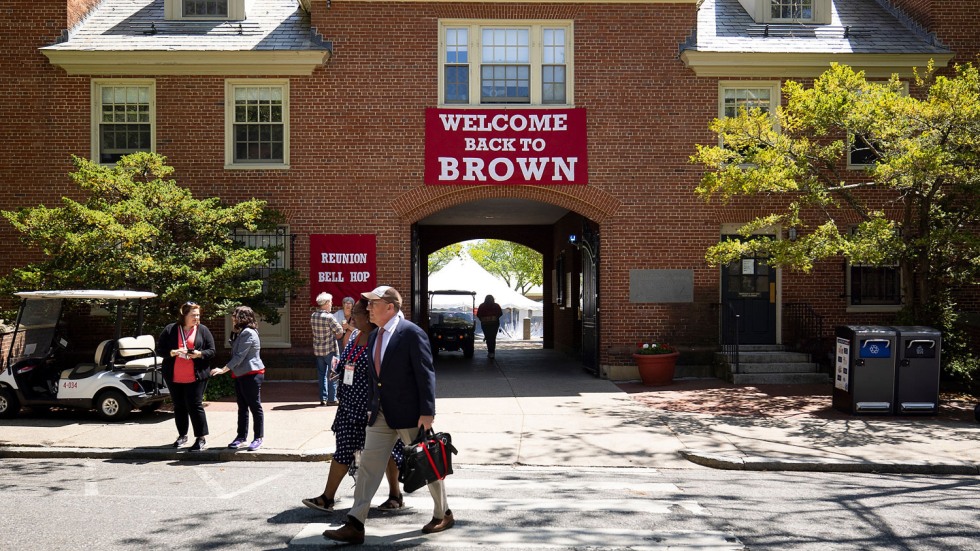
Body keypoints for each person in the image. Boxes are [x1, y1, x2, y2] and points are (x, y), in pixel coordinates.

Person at [323, 286, 453, 545]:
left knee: (426, 464)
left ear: (390, 308)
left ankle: (443, 513)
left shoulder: (411, 333)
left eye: (373, 304)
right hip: (380, 414)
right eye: (368, 304)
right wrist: (373, 404)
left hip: (410, 414)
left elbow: (425, 374)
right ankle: (355, 523)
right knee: (369, 467)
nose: (368, 308)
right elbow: (375, 376)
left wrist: (427, 412)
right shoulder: (373, 336)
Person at [302, 298, 404, 513]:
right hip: (348, 405)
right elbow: (348, 361)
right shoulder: (355, 335)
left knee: (388, 453)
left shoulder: (380, 338)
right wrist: (337, 369)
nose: (351, 319)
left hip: (372, 408)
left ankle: (395, 495)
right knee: (343, 450)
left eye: (356, 315)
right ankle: (327, 497)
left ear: (368, 316)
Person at [157, 301, 216, 452]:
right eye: (193, 315)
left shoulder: (203, 330)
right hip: (174, 376)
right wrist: (172, 352)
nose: (196, 318)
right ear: (184, 315)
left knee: (195, 405)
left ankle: (201, 438)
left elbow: (212, 351)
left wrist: (200, 354)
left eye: (198, 315)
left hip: (196, 376)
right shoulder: (170, 329)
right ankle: (182, 435)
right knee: (179, 406)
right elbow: (160, 350)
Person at [210, 305, 266, 452]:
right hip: (242, 374)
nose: (232, 318)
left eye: (235, 315)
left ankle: (258, 438)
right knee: (242, 407)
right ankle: (241, 437)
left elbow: (239, 356)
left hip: (251, 374)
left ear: (243, 317)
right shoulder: (242, 332)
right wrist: (234, 333)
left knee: (255, 406)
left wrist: (223, 370)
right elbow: (235, 348)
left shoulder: (248, 333)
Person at [312, 292, 345, 406]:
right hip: (330, 349)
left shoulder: (313, 316)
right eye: (330, 302)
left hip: (318, 349)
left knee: (321, 375)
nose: (331, 304)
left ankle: (323, 398)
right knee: (333, 374)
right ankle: (332, 398)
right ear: (326, 303)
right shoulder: (329, 317)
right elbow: (340, 331)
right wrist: (336, 336)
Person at [476, 294, 503, 359]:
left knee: (488, 337)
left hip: (485, 324)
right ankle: (492, 352)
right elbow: (500, 313)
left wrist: (483, 320)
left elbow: (478, 314)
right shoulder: (496, 305)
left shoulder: (482, 306)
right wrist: (494, 318)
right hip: (494, 324)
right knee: (493, 338)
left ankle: (490, 352)